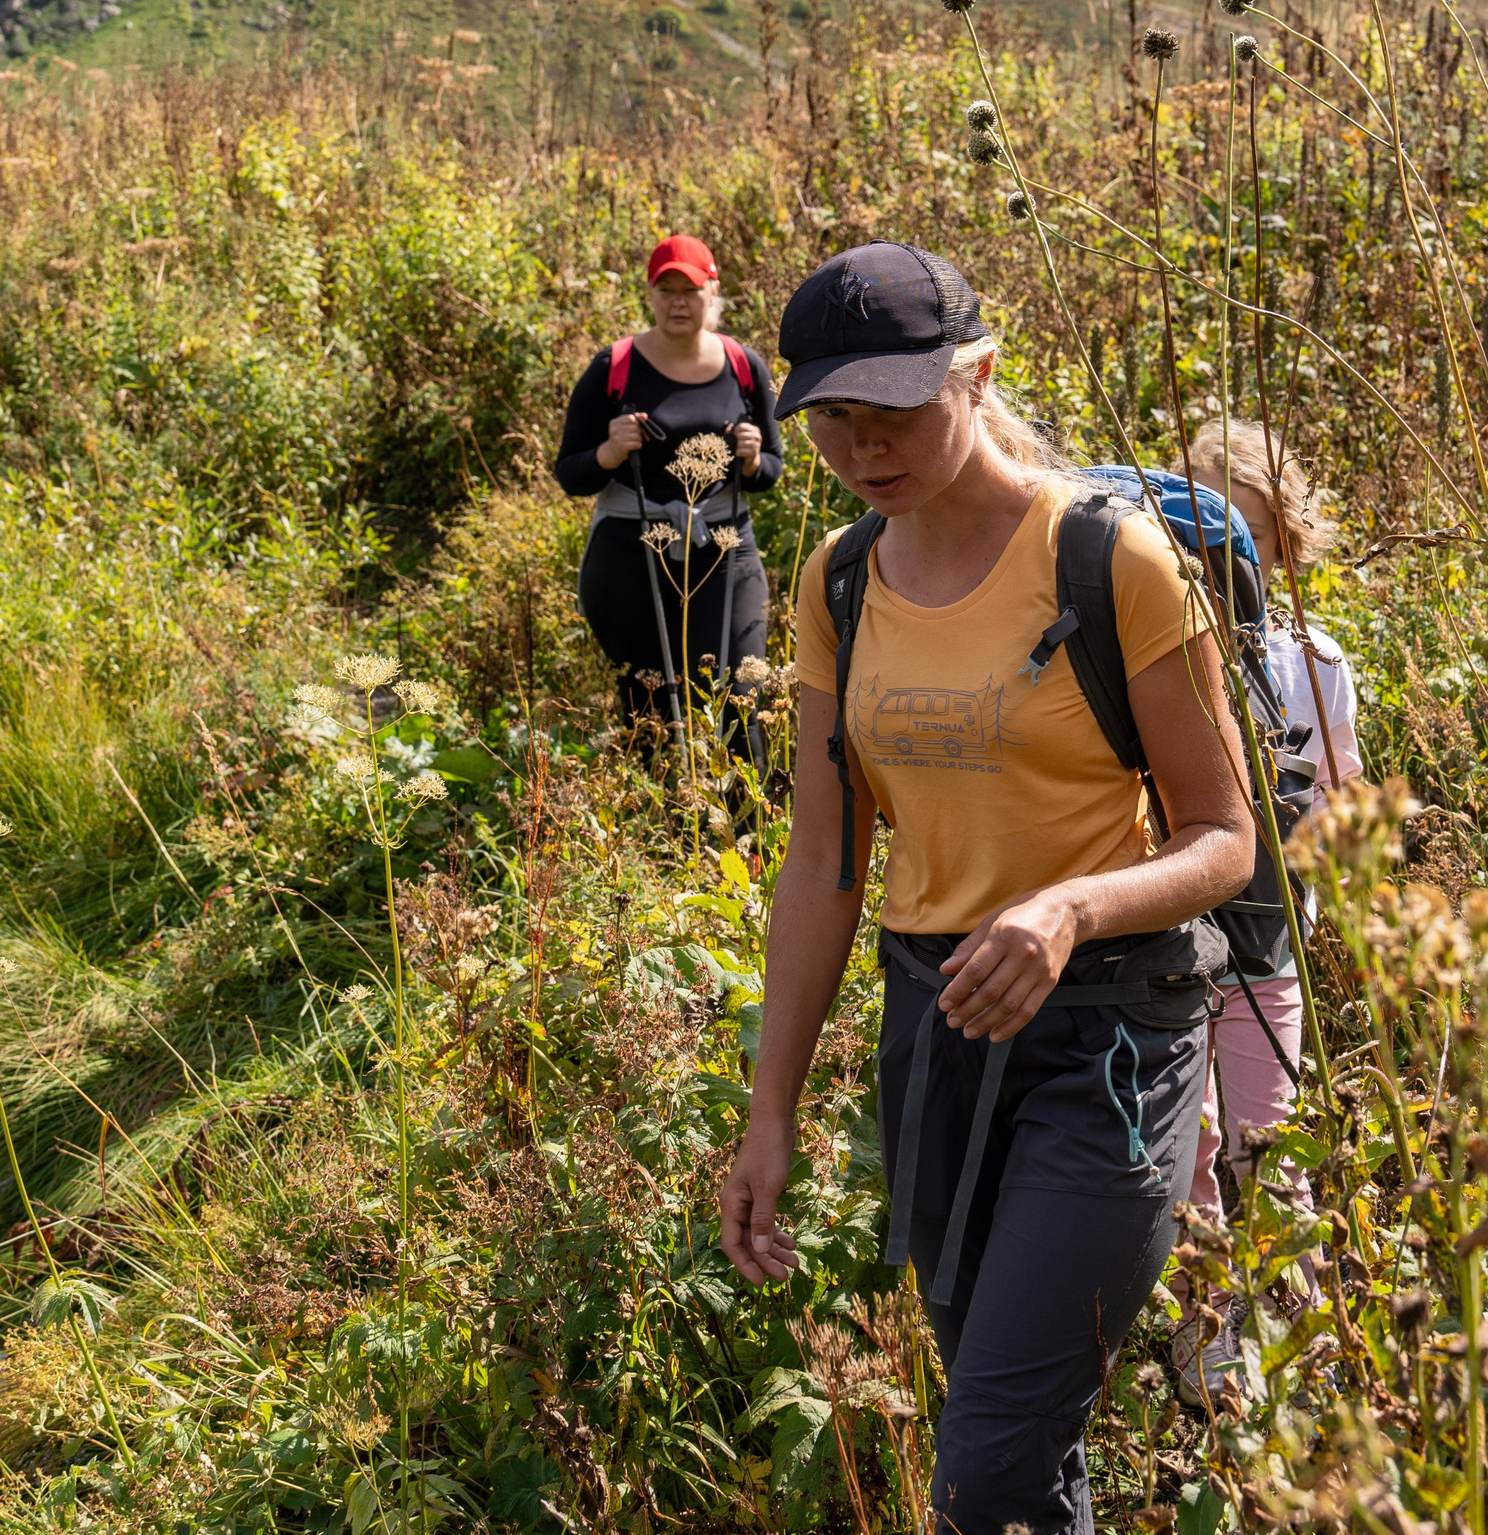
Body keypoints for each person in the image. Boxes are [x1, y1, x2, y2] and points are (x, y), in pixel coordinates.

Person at [718, 241, 1259, 1535]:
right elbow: (823, 862)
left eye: (895, 408)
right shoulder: (839, 580)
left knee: (987, 1463)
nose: (862, 445)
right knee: (1014, 1457)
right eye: (831, 416)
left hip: (1111, 1041)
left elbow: (1224, 836)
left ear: (978, 373)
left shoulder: (1112, 559)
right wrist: (769, 1111)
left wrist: (1071, 906)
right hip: (940, 1036)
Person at [1166, 418, 1364, 1407]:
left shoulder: (1311, 662)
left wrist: (1310, 885)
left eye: (1244, 544)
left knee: (1267, 1141)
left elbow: (1336, 796)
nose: (1220, 571)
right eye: (1199, 543)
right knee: (1187, 1144)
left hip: (1264, 941)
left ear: (1281, 548)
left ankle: (1301, 1333)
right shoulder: (1148, 649)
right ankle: (1207, 1337)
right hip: (1167, 942)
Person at [554, 234, 784, 750]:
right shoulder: (612, 367)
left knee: (738, 696)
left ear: (713, 292)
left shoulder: (744, 365)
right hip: (630, 557)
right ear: (650, 294)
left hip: (724, 550)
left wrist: (751, 459)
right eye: (667, 290)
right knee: (651, 710)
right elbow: (570, 474)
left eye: (691, 290)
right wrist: (608, 453)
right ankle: (663, 801)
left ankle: (744, 803)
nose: (679, 302)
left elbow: (770, 471)